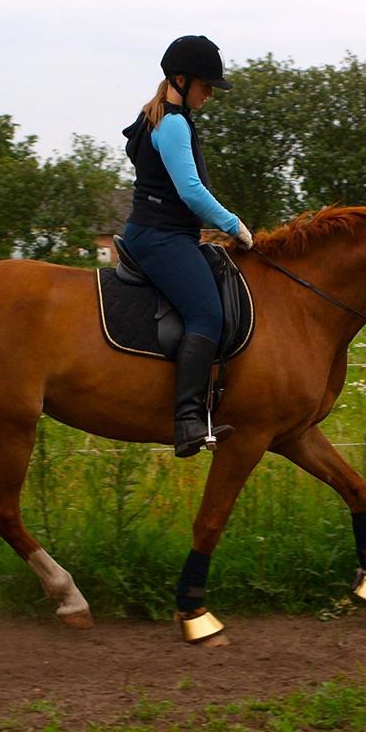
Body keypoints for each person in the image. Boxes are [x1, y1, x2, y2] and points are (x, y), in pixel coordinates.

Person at [121, 35, 253, 458]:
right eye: (206, 85)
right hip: (161, 237)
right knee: (207, 314)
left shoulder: (156, 117)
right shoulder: (173, 123)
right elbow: (191, 192)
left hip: (160, 233)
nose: (209, 93)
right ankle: (188, 421)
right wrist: (233, 225)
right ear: (181, 79)